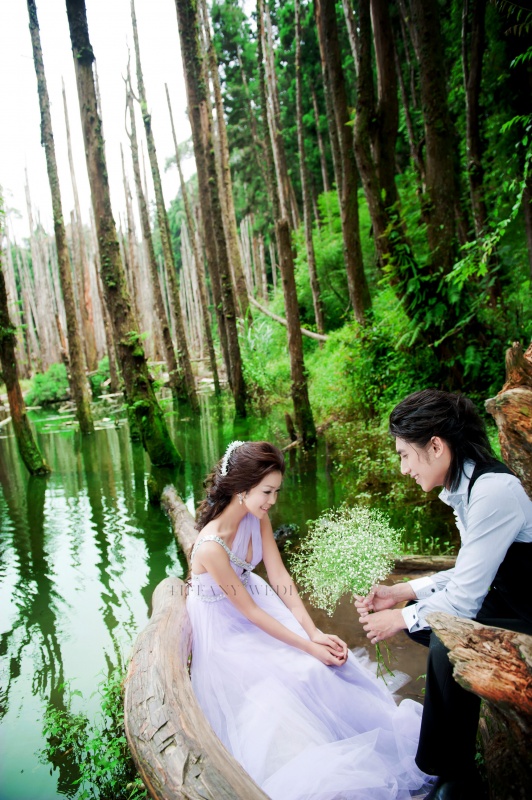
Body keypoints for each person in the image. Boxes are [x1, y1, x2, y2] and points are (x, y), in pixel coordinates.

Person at [187, 440, 433, 800]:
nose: (272, 500)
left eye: (276, 491)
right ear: (241, 488)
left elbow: (279, 577)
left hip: (256, 603)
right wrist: (307, 646)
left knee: (326, 667)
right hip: (225, 629)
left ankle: (367, 748)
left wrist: (313, 631)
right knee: (294, 678)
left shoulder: (257, 517)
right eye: (267, 492)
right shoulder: (210, 546)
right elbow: (249, 613)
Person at [355, 389, 532, 800]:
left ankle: (456, 776)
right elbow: (470, 570)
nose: (403, 469)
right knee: (423, 617)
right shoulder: (465, 486)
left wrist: (396, 619)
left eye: (405, 455)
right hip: (512, 598)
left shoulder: (494, 492)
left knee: (444, 639)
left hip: (528, 609)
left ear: (435, 446)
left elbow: (464, 601)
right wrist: (400, 592)